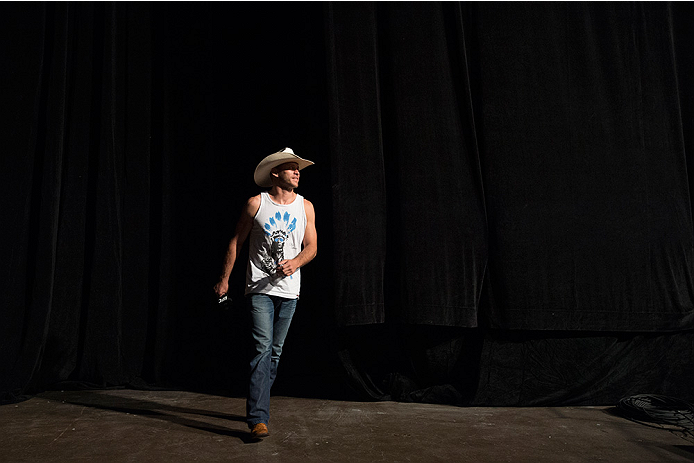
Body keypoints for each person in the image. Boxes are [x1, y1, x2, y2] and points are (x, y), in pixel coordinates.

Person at [213, 147, 317, 439]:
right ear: (275, 173)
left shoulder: (305, 206)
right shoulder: (256, 204)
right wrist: (224, 280)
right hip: (259, 289)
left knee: (275, 353)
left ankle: (259, 401)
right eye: (291, 167)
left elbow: (312, 246)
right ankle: (258, 417)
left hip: (290, 291)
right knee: (262, 349)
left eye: (298, 168)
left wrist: (295, 262)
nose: (297, 172)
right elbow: (236, 242)